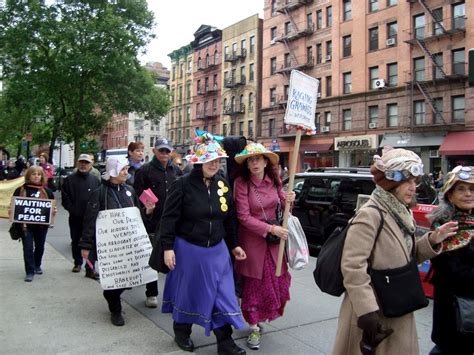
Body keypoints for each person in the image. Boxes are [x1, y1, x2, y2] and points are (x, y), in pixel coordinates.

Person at [333, 147, 458, 355]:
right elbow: (353, 266)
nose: (413, 187)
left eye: (414, 181)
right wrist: (367, 312)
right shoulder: (370, 214)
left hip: (397, 307)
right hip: (374, 314)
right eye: (407, 181)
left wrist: (432, 240)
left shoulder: (401, 211)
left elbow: (405, 257)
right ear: (392, 183)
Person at [160, 134, 247, 355]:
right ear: (198, 161)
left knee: (223, 295)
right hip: (189, 249)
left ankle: (225, 343)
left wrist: (234, 244)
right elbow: (168, 219)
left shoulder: (222, 183)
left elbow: (229, 218)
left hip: (218, 251)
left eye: (217, 161)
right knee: (188, 293)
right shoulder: (182, 184)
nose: (214, 164)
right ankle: (182, 331)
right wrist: (168, 248)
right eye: (209, 161)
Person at [232, 143, 295, 350]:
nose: (255, 162)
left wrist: (289, 199)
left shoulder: (274, 181)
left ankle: (258, 320)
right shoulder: (241, 183)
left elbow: (282, 204)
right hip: (253, 242)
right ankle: (253, 327)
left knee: (274, 283)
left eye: (258, 158)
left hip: (274, 244)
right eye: (251, 159)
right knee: (254, 286)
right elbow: (243, 217)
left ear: (266, 161)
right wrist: (270, 229)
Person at [79, 157, 155, 326]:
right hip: (110, 246)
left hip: (129, 244)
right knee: (113, 279)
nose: (126, 173)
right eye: (123, 170)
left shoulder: (130, 190)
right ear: (113, 171)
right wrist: (86, 245)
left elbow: (137, 216)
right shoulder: (99, 193)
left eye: (127, 169)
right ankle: (115, 309)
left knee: (130, 277)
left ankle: (111, 295)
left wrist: (147, 211)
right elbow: (90, 220)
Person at [428, 165, 474, 355]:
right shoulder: (444, 227)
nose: (468, 194)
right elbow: (452, 274)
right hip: (455, 314)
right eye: (461, 189)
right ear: (449, 194)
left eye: (472, 189)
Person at [133, 137, 182, 308]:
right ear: (154, 151)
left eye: (167, 150)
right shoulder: (144, 171)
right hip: (152, 221)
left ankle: (174, 293)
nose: (164, 153)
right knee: (152, 257)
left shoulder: (176, 170)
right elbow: (137, 196)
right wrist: (146, 210)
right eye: (161, 150)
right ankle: (151, 292)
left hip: (174, 222)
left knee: (175, 258)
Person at [10, 166, 56, 282]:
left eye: (39, 174)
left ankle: (37, 265)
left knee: (40, 247)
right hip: (25, 226)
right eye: (33, 174)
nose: (36, 176)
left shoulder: (47, 192)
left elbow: (52, 207)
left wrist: (53, 212)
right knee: (28, 248)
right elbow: (14, 206)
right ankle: (29, 271)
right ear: (28, 175)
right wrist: (12, 211)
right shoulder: (20, 190)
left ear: (42, 177)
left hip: (41, 226)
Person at [61, 154, 101, 278]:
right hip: (75, 217)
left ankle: (90, 267)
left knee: (91, 242)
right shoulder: (69, 180)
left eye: (86, 162)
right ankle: (77, 263)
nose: (84, 164)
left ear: (91, 165)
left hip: (91, 218)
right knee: (76, 239)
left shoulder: (95, 180)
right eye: (81, 162)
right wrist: (73, 210)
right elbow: (65, 198)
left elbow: (99, 198)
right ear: (78, 163)